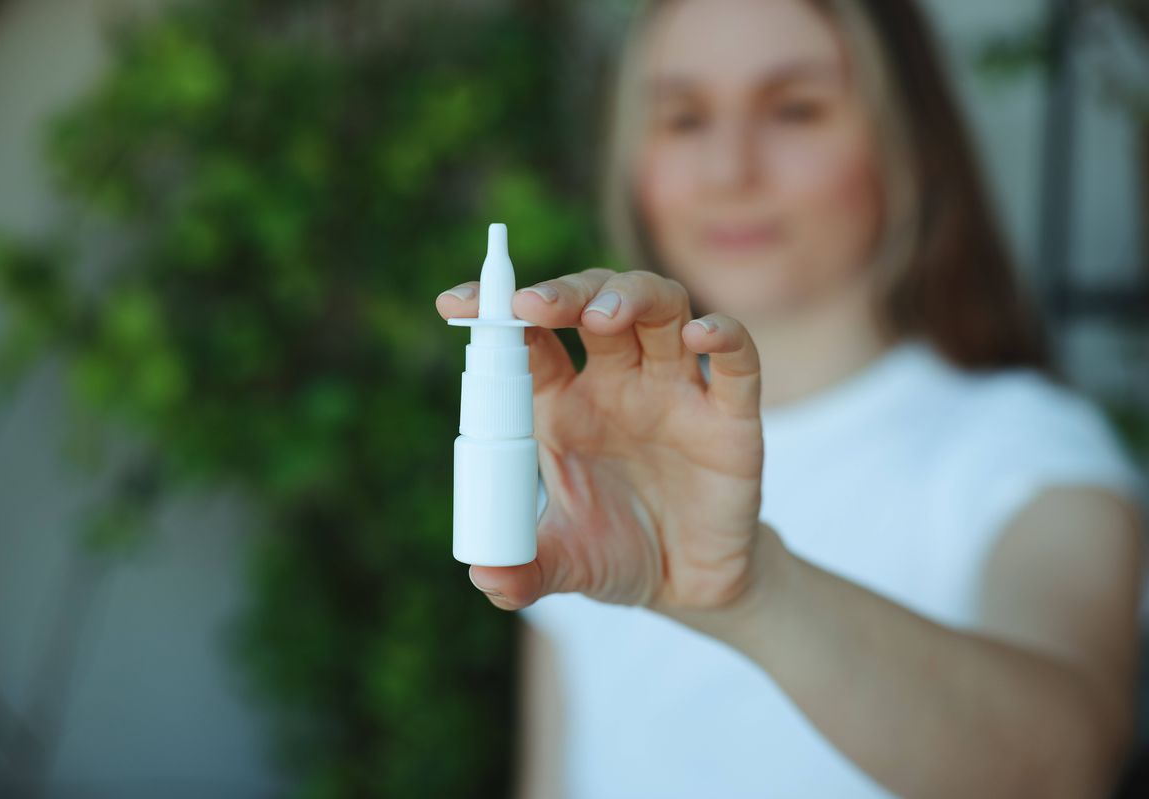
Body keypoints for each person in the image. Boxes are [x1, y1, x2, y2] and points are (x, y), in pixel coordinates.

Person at [434, 0, 1147, 796]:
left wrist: (751, 588)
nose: (729, 170)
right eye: (683, 118)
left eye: (796, 110)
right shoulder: (602, 469)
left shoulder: (1026, 450)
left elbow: (1066, 766)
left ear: (905, 141)